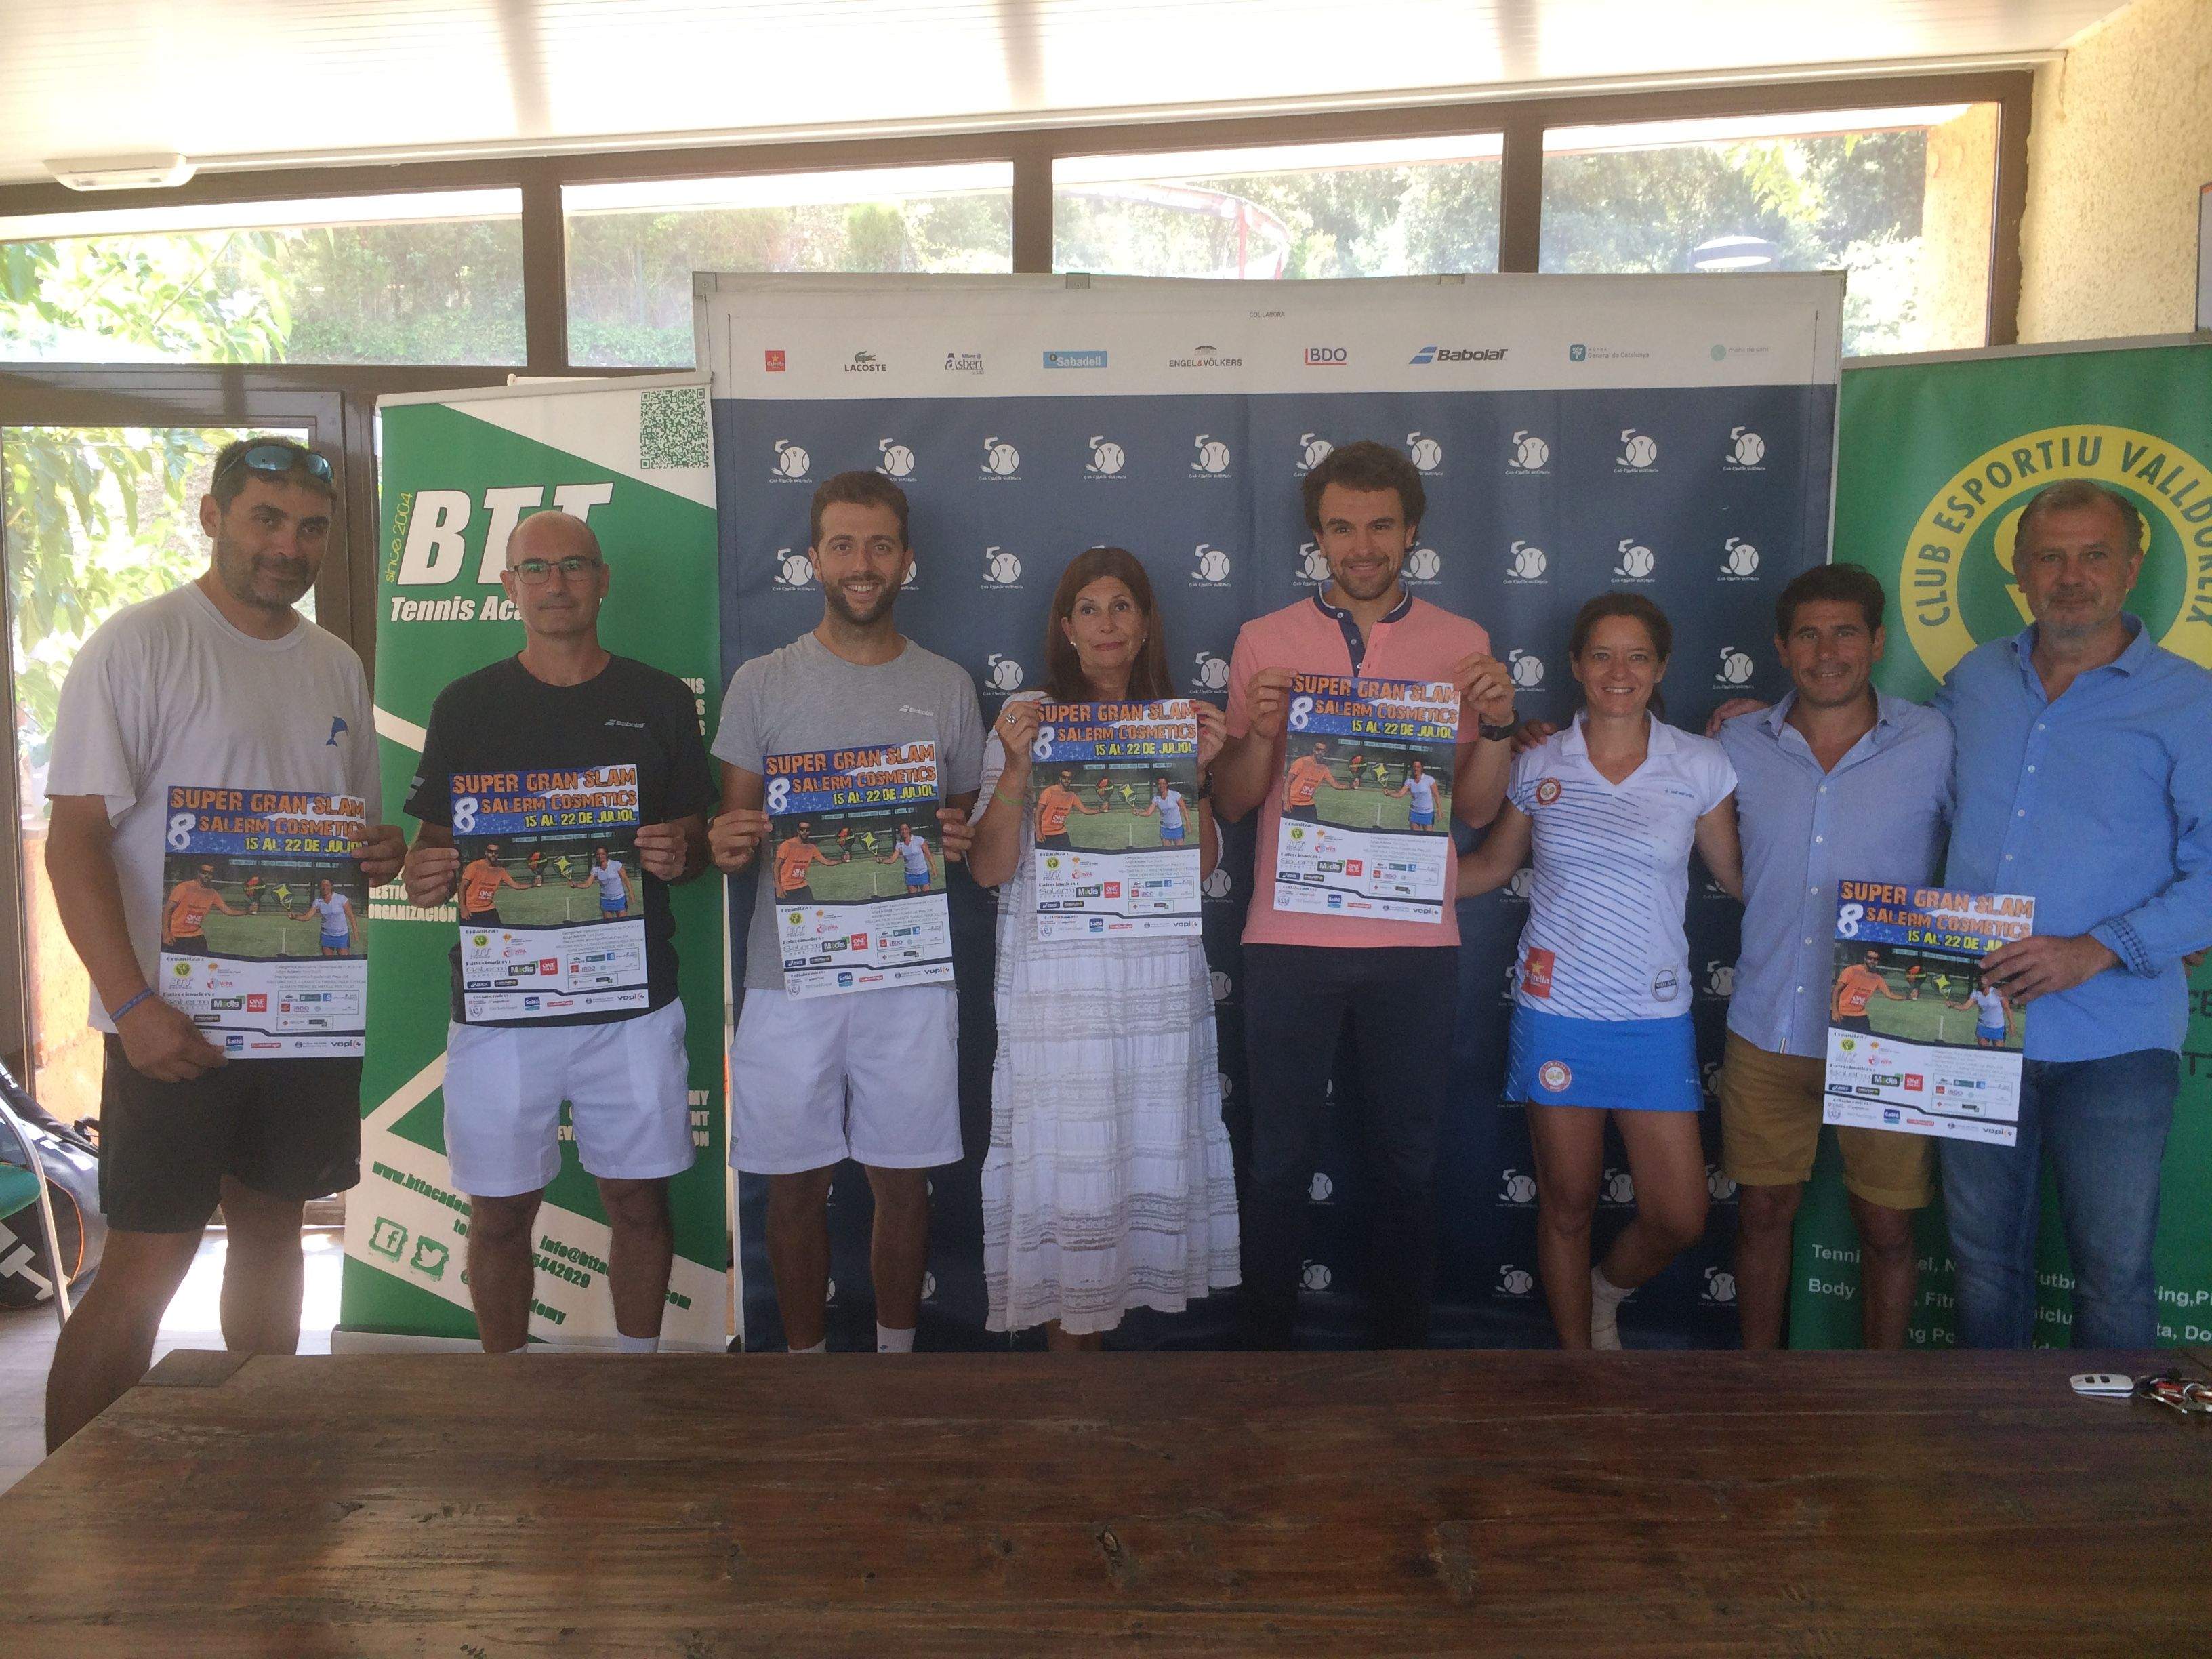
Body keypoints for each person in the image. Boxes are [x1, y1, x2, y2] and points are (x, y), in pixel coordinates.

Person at [39, 437, 402, 1450]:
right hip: (171, 1023)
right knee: (148, 1264)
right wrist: (129, 1009)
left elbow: (351, 832)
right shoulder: (141, 643)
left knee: (277, 1233)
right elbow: (71, 844)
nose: (288, 546)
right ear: (213, 516)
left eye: (310, 527)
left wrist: (374, 850)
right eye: (266, 519)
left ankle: (263, 1469)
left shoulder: (335, 663)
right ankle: (62, 1509)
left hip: (301, 1015)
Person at [1212, 440, 1518, 1349]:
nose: (1362, 544)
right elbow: (1232, 799)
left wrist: (1497, 725)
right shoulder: (1264, 640)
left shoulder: (1462, 643)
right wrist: (1262, 733)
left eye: (1380, 524)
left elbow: (1473, 806)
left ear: (1410, 529)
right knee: (1278, 1166)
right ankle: (1264, 1359)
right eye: (1342, 527)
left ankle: (1402, 1364)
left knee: (1408, 1167)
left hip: (1413, 944)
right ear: (1319, 537)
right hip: (1290, 941)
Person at [400, 509, 714, 1355]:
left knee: (639, 1204)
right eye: (535, 569)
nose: (556, 584)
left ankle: (637, 1378)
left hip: (632, 1002)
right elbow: (433, 856)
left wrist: (678, 850)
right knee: (499, 1215)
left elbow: (698, 842)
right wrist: (424, 878)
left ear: (603, 578)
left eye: (574, 565)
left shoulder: (657, 700)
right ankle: (507, 1392)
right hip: (502, 1007)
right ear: (508, 586)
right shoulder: (464, 705)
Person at [1932, 480, 2212, 1349]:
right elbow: (1905, 787)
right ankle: (1991, 1460)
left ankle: (2108, 1482)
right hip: (1970, 1025)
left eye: (2095, 555)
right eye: (2049, 556)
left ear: (2132, 569)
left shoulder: (2192, 701)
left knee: (2114, 1274)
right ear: (2018, 572)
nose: (2071, 576)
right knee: (1980, 1268)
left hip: (2114, 1037)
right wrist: (1770, 723)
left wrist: (2100, 949)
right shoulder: (1973, 681)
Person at [709, 472, 983, 1355]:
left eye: (878, 546)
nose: (861, 565)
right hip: (787, 978)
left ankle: (895, 1367)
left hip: (906, 973)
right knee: (793, 1187)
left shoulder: (946, 686)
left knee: (904, 1184)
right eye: (842, 546)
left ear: (906, 557)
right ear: (813, 559)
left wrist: (954, 832)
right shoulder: (762, 682)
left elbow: (967, 827)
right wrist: (731, 836)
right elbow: (736, 832)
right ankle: (803, 1374)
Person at [967, 546, 1237, 1347]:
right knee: (1073, 1190)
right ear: (1066, 627)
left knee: (1139, 1168)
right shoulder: (1029, 717)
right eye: (1089, 607)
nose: (1107, 622)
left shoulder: (1174, 722)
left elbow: (1202, 868)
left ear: (1146, 623)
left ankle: (1105, 1416)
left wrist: (1199, 773)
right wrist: (1016, 768)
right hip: (1062, 990)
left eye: (1122, 605)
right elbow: (988, 866)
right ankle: (1069, 1411)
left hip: (1152, 986)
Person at [1456, 594, 1742, 1349]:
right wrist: (1385, 872)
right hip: (1558, 1016)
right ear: (1578, 665)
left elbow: (1743, 880)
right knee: (1568, 1205)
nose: (1620, 672)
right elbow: (1489, 867)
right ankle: (1577, 1368)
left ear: (1662, 668)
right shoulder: (1539, 761)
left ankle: (1603, 1292)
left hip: (1653, 1020)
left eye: (1638, 656)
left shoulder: (1702, 763)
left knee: (1680, 1214)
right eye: (1603, 655)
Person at [1714, 562, 1952, 1351]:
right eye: (1808, 635)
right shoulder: (1738, 742)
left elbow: (2002, 846)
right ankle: (1758, 1385)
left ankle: (1877, 1402)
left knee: (1885, 1225)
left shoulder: (1935, 739)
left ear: (1878, 642)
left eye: (1846, 632)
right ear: (1782, 648)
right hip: (1767, 1021)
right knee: (1760, 1215)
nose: (1827, 652)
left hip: (1888, 1023)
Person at [161, 862, 241, 953]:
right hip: (176, 935)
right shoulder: (184, 887)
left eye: (210, 874)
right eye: (204, 873)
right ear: (198, 873)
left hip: (196, 935)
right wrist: (166, 933)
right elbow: (168, 909)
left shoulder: (212, 893)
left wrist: (247, 911)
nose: (207, 876)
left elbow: (229, 911)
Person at [1831, 949, 1908, 1036]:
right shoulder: (1852, 970)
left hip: (1860, 1015)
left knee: (1867, 1040)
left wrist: (1908, 997)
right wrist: (1835, 1011)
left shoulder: (1877, 978)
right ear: (1865, 958)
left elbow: (1890, 995)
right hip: (1841, 1013)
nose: (1872, 961)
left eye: (1875, 959)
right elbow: (1836, 990)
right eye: (1870, 958)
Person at [458, 840, 525, 926]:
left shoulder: (500, 870)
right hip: (472, 910)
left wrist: (533, 884)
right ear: (486, 852)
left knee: (498, 935)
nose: (493, 854)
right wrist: (463, 909)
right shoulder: (474, 866)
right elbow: (462, 887)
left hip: (489, 909)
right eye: (490, 852)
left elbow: (516, 885)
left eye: (496, 852)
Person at [289, 877, 357, 957]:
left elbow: (351, 917)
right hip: (326, 936)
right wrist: (295, 917)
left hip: (342, 936)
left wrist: (355, 933)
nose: (324, 887)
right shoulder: (317, 901)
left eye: (327, 885)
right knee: (327, 963)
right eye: (322, 885)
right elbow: (307, 917)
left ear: (331, 887)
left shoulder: (341, 899)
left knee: (343, 962)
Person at [1033, 769, 1097, 849]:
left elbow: (1085, 810)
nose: (1067, 780)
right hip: (1045, 833)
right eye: (1064, 777)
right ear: (1060, 778)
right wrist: (1038, 833)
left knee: (1067, 858)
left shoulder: (1072, 796)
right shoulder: (1049, 792)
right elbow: (1038, 812)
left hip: (1061, 833)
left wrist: (1100, 810)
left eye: (1069, 778)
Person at [1945, 980, 2013, 1048]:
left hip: (1998, 1028)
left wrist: (2012, 1024)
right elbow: (1965, 1007)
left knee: (1999, 1053)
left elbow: (2008, 1009)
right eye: (1981, 982)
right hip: (1983, 1027)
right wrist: (1952, 1006)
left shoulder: (1998, 993)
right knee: (1983, 1052)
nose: (1982, 984)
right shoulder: (1976, 994)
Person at [571, 845, 633, 919]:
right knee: (608, 926)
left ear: (606, 854)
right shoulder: (595, 870)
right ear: (596, 856)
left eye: (603, 854)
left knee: (622, 924)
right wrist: (576, 885)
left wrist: (631, 894)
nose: (600, 856)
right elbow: (587, 884)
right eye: (598, 854)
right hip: (605, 901)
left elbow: (625, 879)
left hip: (619, 899)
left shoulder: (616, 864)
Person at [878, 821, 936, 892]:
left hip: (923, 873)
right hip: (910, 875)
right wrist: (882, 861)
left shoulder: (919, 839)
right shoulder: (899, 845)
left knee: (926, 897)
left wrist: (934, 868)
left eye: (906, 829)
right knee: (913, 899)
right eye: (902, 830)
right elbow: (892, 859)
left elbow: (928, 854)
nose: (904, 831)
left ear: (909, 830)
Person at [1389, 756, 1441, 831]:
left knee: (1428, 837)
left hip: (1428, 814)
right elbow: (1400, 794)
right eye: (1414, 767)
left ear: (1422, 768)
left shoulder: (1430, 780)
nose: (1416, 769)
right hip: (1414, 813)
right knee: (1415, 836)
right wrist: (1389, 794)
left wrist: (1439, 811)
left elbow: (1437, 796)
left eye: (1418, 767)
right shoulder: (1409, 781)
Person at [1136, 775, 1189, 846]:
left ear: (1167, 785)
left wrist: (1188, 823)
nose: (1161, 786)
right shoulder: (1156, 798)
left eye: (1163, 784)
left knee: (1179, 852)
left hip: (1177, 828)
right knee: (1167, 853)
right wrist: (1138, 813)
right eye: (1159, 784)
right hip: (1165, 829)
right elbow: (1148, 813)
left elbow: (1184, 809)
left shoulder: (1175, 794)